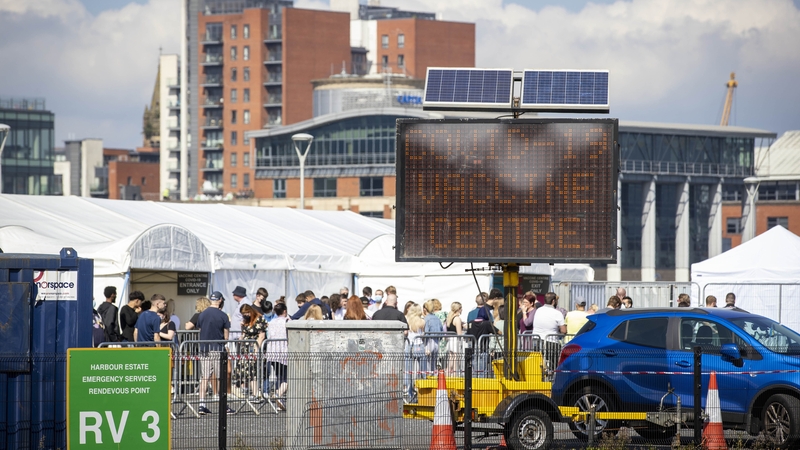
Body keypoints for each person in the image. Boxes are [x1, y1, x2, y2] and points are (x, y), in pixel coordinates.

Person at [196, 291, 233, 415]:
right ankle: (224, 405)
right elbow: (226, 336)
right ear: (220, 300)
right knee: (220, 376)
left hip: (204, 348)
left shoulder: (202, 315)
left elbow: (200, 330)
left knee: (205, 377)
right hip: (218, 348)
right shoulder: (223, 315)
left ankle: (201, 404)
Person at [235, 304, 267, 403]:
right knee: (245, 371)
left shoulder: (259, 319)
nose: (245, 315)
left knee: (254, 371)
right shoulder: (245, 321)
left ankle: (256, 393)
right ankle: (248, 392)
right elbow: (243, 334)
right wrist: (240, 337)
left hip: (254, 348)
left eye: (246, 313)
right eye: (243, 314)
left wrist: (257, 350)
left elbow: (261, 336)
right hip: (245, 349)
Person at [265, 302, 289, 411]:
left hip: (273, 351)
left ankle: (280, 400)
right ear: (284, 311)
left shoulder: (271, 322)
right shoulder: (287, 321)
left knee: (279, 376)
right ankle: (279, 394)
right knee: (288, 378)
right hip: (284, 351)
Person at [405, 304, 425, 401]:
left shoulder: (407, 320)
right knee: (422, 371)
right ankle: (423, 393)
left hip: (409, 345)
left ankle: (410, 393)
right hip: (419, 345)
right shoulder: (422, 321)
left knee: (409, 371)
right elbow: (424, 334)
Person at [422, 299, 444, 376]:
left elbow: (426, 332)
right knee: (434, 362)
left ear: (425, 309)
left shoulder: (426, 319)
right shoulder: (437, 318)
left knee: (427, 361)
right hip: (436, 341)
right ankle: (434, 377)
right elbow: (442, 331)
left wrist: (424, 342)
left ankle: (428, 377)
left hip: (429, 341)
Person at [444, 302, 464, 375]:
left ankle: (448, 375)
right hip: (455, 340)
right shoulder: (457, 318)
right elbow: (459, 333)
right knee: (456, 359)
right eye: (461, 308)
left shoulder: (449, 318)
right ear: (458, 309)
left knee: (450, 360)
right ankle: (455, 376)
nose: (462, 310)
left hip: (450, 340)